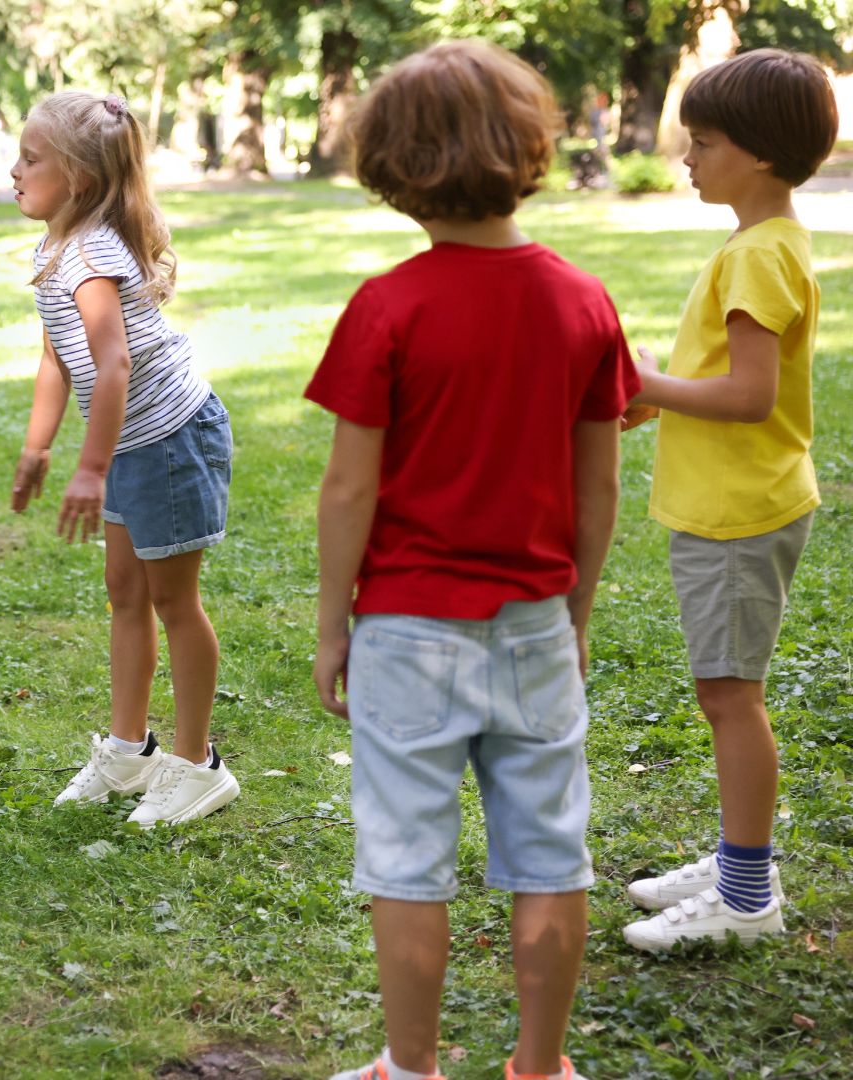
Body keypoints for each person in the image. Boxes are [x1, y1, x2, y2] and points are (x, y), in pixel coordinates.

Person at [306, 42, 638, 1080]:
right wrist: (577, 613)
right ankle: (541, 1067)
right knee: (550, 853)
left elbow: (349, 490)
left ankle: (411, 1068)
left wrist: (332, 624)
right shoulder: (584, 302)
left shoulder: (388, 307)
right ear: (528, 147)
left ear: (392, 165)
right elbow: (598, 487)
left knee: (407, 861)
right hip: (535, 622)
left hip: (406, 630)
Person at [617, 48, 838, 953]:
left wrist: (648, 384)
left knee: (730, 698)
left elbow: (750, 396)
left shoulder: (757, 256)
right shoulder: (769, 244)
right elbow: (734, 380)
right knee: (726, 693)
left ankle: (746, 897)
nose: (687, 157)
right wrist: (660, 394)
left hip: (740, 515)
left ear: (759, 152)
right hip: (737, 504)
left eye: (703, 142)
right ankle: (738, 861)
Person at [9, 90, 241, 828]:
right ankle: (129, 750)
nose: (15, 170)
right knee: (124, 591)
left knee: (173, 601)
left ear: (76, 178)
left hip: (169, 437)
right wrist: (38, 447)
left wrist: (90, 468)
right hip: (130, 442)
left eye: (30, 158)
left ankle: (198, 765)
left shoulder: (90, 254)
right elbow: (57, 357)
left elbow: (113, 366)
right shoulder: (56, 247)